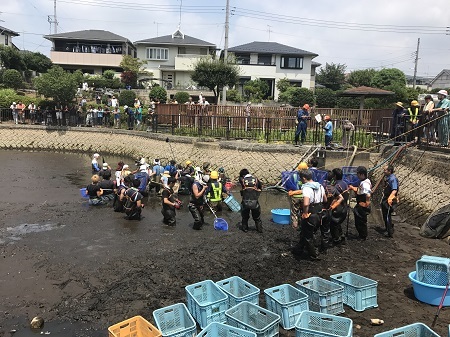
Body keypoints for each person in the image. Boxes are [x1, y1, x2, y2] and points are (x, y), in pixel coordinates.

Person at [293, 169, 327, 260]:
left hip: (310, 213)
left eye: (300, 178)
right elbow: (325, 200)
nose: (300, 180)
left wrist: (305, 213)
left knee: (309, 235)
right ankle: (299, 249)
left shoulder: (306, 188)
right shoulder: (320, 186)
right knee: (306, 232)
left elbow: (306, 203)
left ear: (304, 178)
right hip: (319, 213)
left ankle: (314, 254)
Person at [349, 166, 371, 240]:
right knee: (359, 219)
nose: (357, 175)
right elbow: (359, 190)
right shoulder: (364, 182)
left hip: (362, 204)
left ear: (362, 174)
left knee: (360, 221)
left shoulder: (365, 184)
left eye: (358, 174)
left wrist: (366, 203)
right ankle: (361, 234)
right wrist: (353, 188)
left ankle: (362, 236)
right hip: (360, 203)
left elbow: (368, 194)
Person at [239, 169, 263, 233]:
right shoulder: (256, 180)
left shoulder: (242, 180)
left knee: (245, 217)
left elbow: (242, 191)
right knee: (257, 217)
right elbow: (260, 188)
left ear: (242, 176)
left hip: (245, 202)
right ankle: (259, 229)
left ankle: (245, 229)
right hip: (255, 202)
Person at [329, 168, 349, 245]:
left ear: (334, 176)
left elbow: (334, 198)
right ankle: (341, 236)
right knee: (337, 223)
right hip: (344, 207)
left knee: (333, 224)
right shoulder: (344, 183)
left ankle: (336, 240)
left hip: (338, 208)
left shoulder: (336, 186)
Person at [287, 162, 308, 229]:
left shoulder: (294, 175)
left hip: (295, 197)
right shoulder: (308, 176)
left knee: (294, 212)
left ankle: (295, 226)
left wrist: (291, 191)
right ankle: (302, 225)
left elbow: (290, 184)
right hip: (304, 197)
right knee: (303, 211)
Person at [381, 165, 399, 238]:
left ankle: (389, 231)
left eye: (385, 170)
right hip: (385, 197)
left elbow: (394, 190)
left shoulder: (393, 179)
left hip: (390, 199)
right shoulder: (387, 178)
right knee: (384, 214)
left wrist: (390, 198)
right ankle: (387, 227)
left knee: (387, 215)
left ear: (389, 171)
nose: (384, 171)